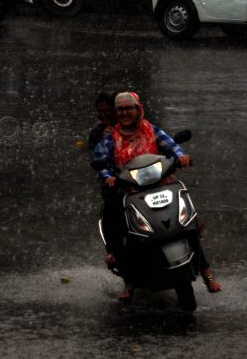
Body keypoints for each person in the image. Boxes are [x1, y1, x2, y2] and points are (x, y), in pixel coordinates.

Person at [92, 91, 222, 301]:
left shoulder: (150, 129)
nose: (125, 113)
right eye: (121, 109)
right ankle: (129, 281)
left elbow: (170, 144)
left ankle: (207, 274)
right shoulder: (110, 136)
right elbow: (100, 161)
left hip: (161, 185)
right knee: (124, 227)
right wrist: (108, 176)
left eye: (129, 108)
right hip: (129, 191)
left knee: (187, 223)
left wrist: (181, 157)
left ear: (138, 109)